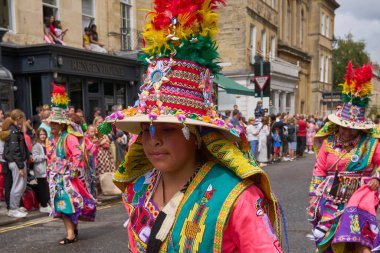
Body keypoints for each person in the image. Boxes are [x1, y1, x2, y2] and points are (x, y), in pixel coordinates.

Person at [104, 1, 284, 252]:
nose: (153, 140)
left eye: (168, 129)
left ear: (197, 134)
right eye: (146, 129)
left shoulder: (236, 197)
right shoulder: (138, 189)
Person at [307, 62, 380, 252]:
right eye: (344, 126)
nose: (347, 131)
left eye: (352, 128)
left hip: (358, 198)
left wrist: (377, 178)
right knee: (329, 242)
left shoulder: (370, 143)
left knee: (356, 243)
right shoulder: (328, 143)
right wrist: (314, 196)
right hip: (330, 197)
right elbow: (320, 169)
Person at [46, 84, 96, 245]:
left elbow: (78, 154)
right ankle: (72, 231)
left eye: (54, 123)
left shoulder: (69, 137)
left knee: (66, 206)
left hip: (66, 179)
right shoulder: (53, 139)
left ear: (61, 124)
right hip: (57, 179)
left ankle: (70, 234)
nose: (52, 125)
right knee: (65, 207)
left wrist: (71, 169)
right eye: (51, 123)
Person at [3, 110, 30, 218]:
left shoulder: (14, 130)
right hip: (16, 163)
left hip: (17, 162)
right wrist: (20, 166)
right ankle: (13, 209)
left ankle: (15, 207)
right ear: (18, 118)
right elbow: (15, 150)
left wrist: (27, 156)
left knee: (21, 186)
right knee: (18, 186)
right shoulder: (14, 131)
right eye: (22, 118)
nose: (23, 120)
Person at [32, 128, 51, 213]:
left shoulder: (47, 144)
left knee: (47, 188)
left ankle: (46, 204)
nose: (43, 136)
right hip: (40, 171)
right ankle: (43, 205)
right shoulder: (36, 145)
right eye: (41, 134)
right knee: (43, 189)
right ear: (38, 136)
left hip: (47, 170)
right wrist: (45, 156)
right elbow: (34, 158)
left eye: (44, 134)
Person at [84, 125, 98, 199]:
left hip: (93, 159)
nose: (93, 133)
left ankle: (94, 197)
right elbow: (86, 149)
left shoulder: (94, 139)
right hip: (87, 159)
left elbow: (95, 152)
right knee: (88, 178)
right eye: (91, 131)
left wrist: (95, 144)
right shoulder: (85, 139)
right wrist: (92, 143)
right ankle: (90, 196)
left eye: (94, 131)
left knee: (93, 178)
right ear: (87, 132)